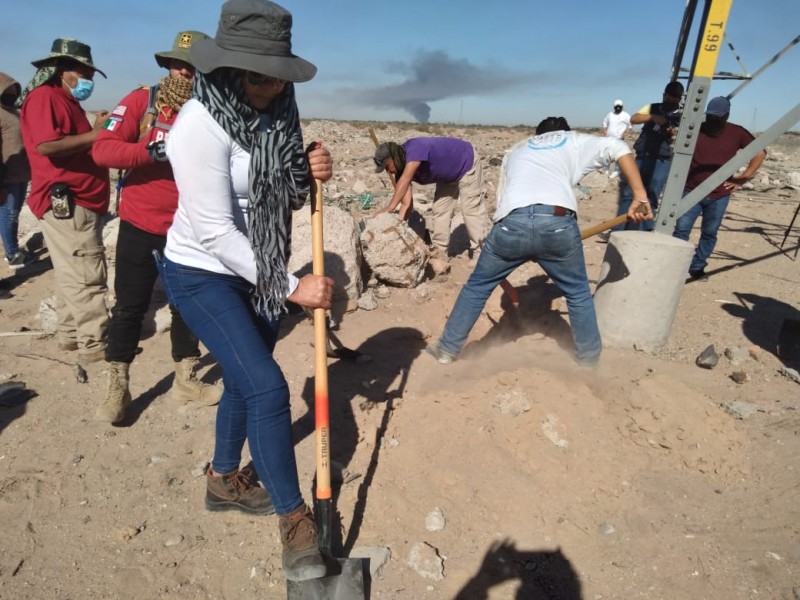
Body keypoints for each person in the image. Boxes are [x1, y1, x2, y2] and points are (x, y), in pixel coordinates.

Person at [156, 0, 333, 582]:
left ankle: (224, 478)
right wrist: (290, 285)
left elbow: (283, 181)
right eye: (257, 74)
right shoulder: (198, 126)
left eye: (277, 74)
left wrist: (311, 170)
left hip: (254, 267)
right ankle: (295, 520)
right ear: (228, 68)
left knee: (242, 377)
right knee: (267, 386)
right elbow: (212, 231)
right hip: (200, 271)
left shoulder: (278, 114)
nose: (269, 85)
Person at [427, 116, 652, 366]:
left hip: (511, 223)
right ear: (564, 132)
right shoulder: (574, 140)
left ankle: (447, 352)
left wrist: (520, 241)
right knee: (577, 293)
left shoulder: (517, 150)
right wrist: (640, 196)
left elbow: (503, 202)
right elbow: (620, 148)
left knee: (477, 287)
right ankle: (589, 363)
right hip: (557, 222)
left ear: (536, 135)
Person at [91, 31, 221, 424]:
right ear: (167, 64)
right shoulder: (141, 101)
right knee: (130, 307)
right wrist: (149, 152)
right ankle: (118, 385)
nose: (184, 70)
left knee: (186, 307)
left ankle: (186, 379)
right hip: (140, 223)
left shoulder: (215, 109)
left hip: (190, 226)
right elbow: (103, 149)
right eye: (179, 62)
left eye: (194, 65)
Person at [18, 39, 110, 363]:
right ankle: (95, 344)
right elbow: (46, 146)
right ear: (64, 70)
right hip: (70, 202)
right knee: (86, 273)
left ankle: (71, 336)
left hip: (79, 200)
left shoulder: (63, 99)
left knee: (71, 272)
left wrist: (97, 129)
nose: (89, 81)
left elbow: (73, 142)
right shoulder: (44, 97)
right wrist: (96, 135)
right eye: (85, 74)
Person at [672, 96, 766, 281]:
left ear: (726, 116)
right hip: (691, 189)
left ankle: (697, 267)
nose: (713, 120)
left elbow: (759, 152)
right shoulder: (695, 129)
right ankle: (675, 265)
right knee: (681, 230)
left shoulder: (737, 133)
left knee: (710, 232)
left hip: (719, 194)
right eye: (711, 116)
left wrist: (743, 178)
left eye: (717, 117)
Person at [373, 136, 490, 258]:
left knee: (470, 210)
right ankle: (441, 253)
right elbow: (406, 204)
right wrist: (397, 228)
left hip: (466, 162)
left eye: (387, 167)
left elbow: (406, 178)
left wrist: (389, 208)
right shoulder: (401, 171)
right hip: (447, 176)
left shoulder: (414, 149)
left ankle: (482, 255)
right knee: (440, 210)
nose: (388, 172)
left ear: (392, 158)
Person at [613, 81, 684, 232]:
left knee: (651, 196)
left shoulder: (682, 115)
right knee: (629, 193)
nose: (671, 100)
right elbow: (634, 118)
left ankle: (643, 231)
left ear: (680, 99)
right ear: (664, 95)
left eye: (675, 98)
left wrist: (671, 131)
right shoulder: (652, 107)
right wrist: (653, 117)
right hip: (642, 157)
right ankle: (618, 230)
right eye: (669, 96)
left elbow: (681, 136)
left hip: (662, 160)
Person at [0, 72, 33, 270]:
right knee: (8, 214)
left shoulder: (16, 112)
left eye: (14, 89)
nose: (12, 92)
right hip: (7, 175)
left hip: (22, 173)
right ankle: (12, 254)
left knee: (15, 212)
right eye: (8, 89)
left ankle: (12, 249)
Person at [602, 99, 631, 177]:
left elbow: (630, 125)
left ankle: (616, 170)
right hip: (609, 139)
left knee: (617, 155)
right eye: (616, 107)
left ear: (622, 107)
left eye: (619, 107)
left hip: (619, 139)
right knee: (607, 154)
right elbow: (604, 122)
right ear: (614, 107)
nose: (618, 108)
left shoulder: (626, 115)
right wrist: (605, 132)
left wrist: (625, 134)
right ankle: (607, 169)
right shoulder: (610, 114)